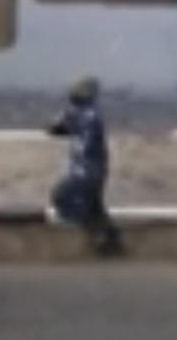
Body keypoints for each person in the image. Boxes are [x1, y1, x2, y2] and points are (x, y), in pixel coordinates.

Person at [48, 77, 124, 257]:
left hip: (86, 169)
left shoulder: (89, 115)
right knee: (94, 209)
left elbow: (67, 131)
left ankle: (102, 238)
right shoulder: (80, 113)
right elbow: (57, 128)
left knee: (63, 196)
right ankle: (110, 242)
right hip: (92, 168)